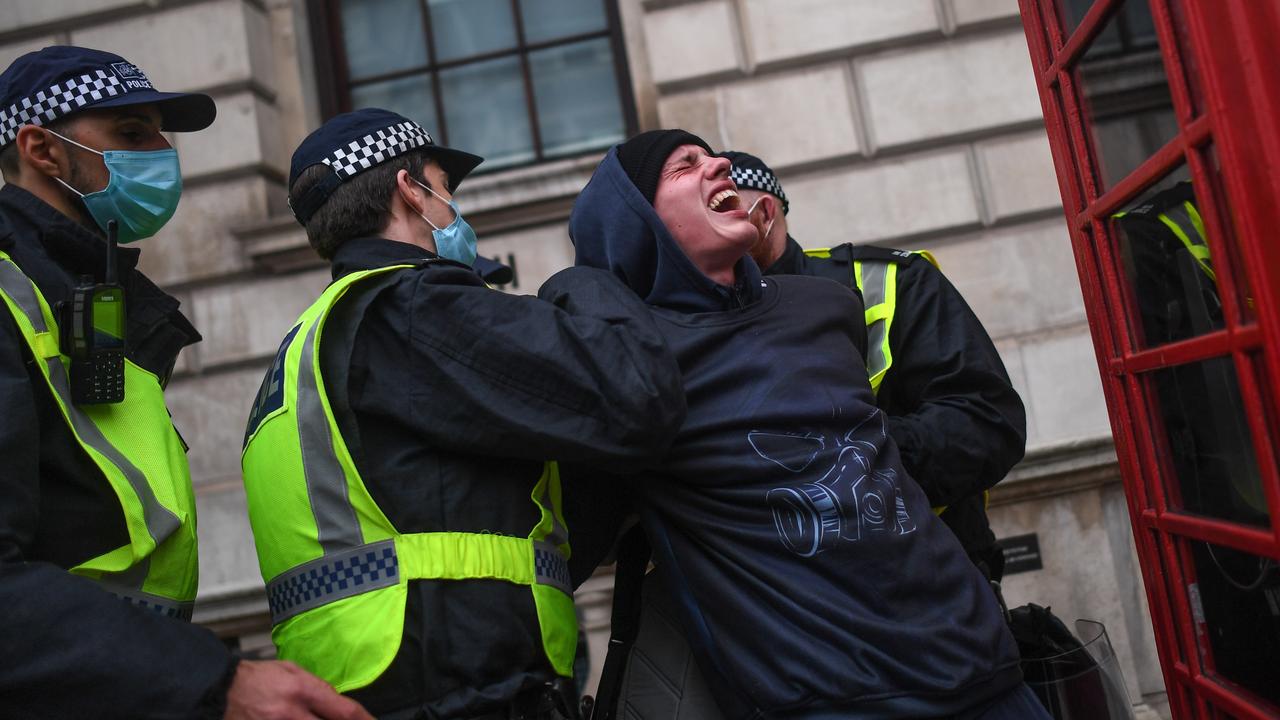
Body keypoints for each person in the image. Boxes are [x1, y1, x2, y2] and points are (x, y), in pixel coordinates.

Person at [562, 130, 1051, 719]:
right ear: (634, 220)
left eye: (710, 157)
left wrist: (860, 459)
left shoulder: (827, 304)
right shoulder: (629, 363)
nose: (719, 165)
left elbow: (987, 420)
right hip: (832, 696)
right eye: (685, 166)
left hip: (979, 660)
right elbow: (579, 537)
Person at [239, 108, 687, 720]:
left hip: (366, 684)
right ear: (410, 191)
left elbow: (525, 528)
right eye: (445, 189)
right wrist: (586, 284)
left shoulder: (308, 345)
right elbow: (635, 394)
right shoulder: (413, 307)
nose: (454, 210)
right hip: (460, 685)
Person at [0, 46, 370, 719]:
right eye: (132, 134)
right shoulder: (13, 292)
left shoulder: (88, 293)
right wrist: (208, 680)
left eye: (160, 135)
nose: (163, 154)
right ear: (41, 150)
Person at [726, 149, 1026, 580]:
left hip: (930, 580)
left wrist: (850, 455)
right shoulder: (698, 319)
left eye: (726, 211)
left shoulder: (889, 281)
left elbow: (989, 424)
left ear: (765, 213)